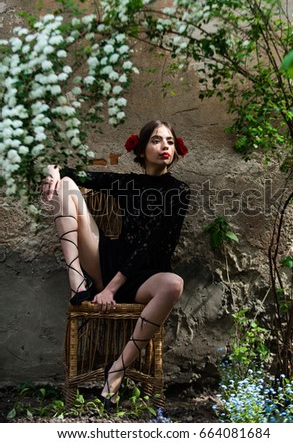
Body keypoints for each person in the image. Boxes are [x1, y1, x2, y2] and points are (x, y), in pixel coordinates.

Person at [41, 120, 190, 409]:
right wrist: (52, 171)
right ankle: (78, 284)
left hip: (145, 276)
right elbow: (75, 174)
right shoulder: (128, 183)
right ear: (143, 148)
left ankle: (117, 369)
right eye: (157, 141)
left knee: (174, 284)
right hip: (108, 262)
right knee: (69, 186)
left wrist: (110, 289)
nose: (165, 147)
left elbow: (152, 246)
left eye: (170, 142)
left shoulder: (178, 191)